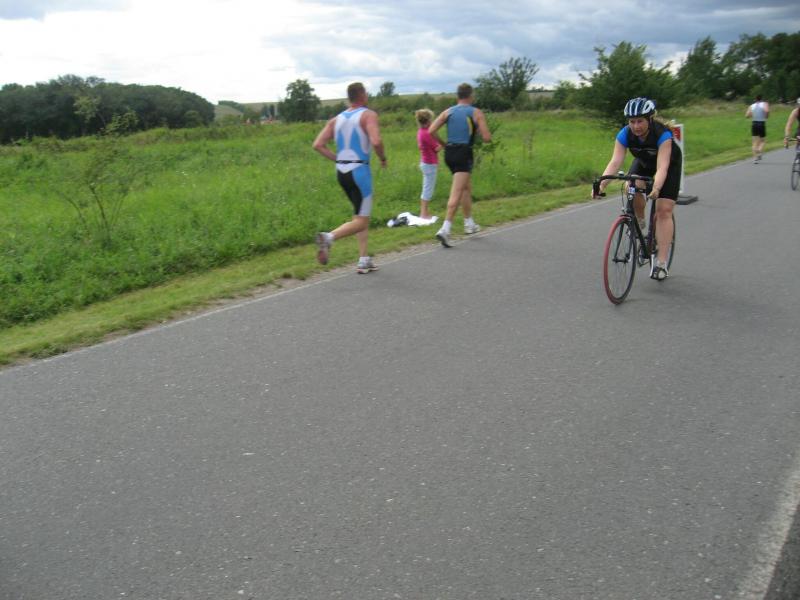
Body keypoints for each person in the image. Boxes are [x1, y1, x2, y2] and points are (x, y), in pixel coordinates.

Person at [594, 97, 683, 281]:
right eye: (632, 121)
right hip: (643, 163)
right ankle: (640, 223)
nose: (636, 126)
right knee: (631, 186)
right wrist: (601, 185)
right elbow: (615, 162)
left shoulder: (662, 134)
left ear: (649, 119)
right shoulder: (624, 134)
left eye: (640, 121)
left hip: (668, 166)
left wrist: (656, 188)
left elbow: (662, 167)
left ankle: (661, 264)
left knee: (663, 210)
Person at [312, 82, 387, 274]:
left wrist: (337, 159)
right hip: (360, 171)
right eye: (366, 93)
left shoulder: (336, 119)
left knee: (359, 215)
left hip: (342, 172)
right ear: (362, 95)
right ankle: (328, 238)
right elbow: (376, 141)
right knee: (362, 221)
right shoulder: (368, 115)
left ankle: (363, 259)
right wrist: (382, 158)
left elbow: (318, 144)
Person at [429, 83, 491, 247]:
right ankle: (445, 229)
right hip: (464, 153)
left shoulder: (448, 111)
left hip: (450, 153)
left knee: (465, 188)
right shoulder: (475, 112)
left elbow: (431, 130)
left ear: (458, 96)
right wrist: (478, 130)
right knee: (457, 191)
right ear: (471, 96)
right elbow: (486, 137)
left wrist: (444, 143)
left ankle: (469, 223)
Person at [415, 108, 444, 219]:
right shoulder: (427, 133)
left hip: (425, 162)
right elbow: (436, 148)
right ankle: (423, 213)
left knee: (426, 188)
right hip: (430, 164)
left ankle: (425, 212)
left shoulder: (420, 132)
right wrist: (445, 144)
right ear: (428, 120)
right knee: (428, 189)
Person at [746, 94, 770, 163]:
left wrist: (753, 115)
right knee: (763, 141)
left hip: (754, 124)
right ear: (761, 99)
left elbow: (747, 115)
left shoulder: (751, 106)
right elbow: (767, 111)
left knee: (754, 142)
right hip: (761, 123)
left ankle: (755, 158)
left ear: (755, 99)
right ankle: (759, 150)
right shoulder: (764, 104)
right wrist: (766, 116)